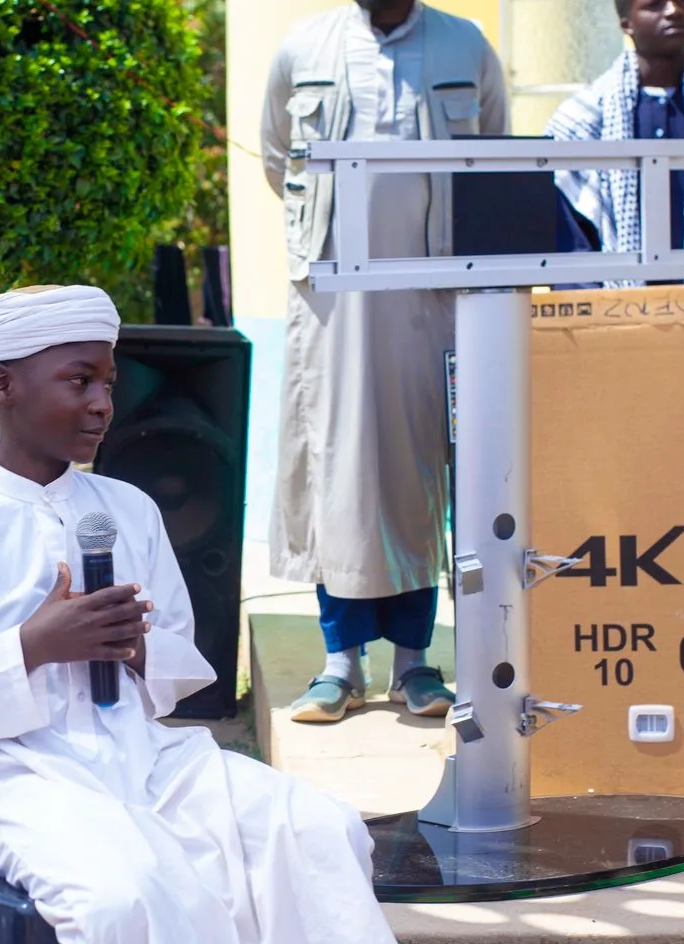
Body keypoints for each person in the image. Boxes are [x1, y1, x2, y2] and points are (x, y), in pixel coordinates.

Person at [0, 285, 398, 944]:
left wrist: (137, 649)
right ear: (3, 385)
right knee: (119, 900)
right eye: (79, 380)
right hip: (17, 773)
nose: (102, 403)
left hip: (147, 758)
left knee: (320, 829)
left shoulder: (130, 509)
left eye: (108, 382)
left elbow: (181, 661)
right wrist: (33, 645)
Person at [261, 0, 508, 724]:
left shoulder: (467, 45)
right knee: (339, 474)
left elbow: (493, 153)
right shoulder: (302, 47)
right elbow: (281, 158)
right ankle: (339, 665)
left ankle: (414, 664)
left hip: (431, 299)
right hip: (335, 301)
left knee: (417, 473)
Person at [546, 0, 684, 286]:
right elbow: (571, 251)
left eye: (682, 1)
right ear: (626, 23)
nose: (674, 10)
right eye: (655, 4)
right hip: (612, 316)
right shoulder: (581, 122)